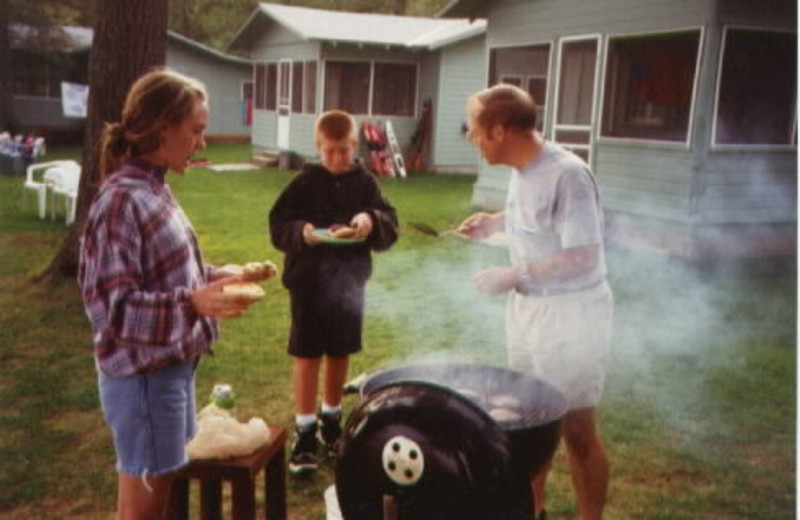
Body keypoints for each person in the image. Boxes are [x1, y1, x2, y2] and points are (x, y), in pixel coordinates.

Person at [78, 68, 274, 520]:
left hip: (171, 374)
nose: (202, 142)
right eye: (197, 130)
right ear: (163, 127)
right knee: (142, 513)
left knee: (152, 505)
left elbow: (164, 273)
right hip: (144, 381)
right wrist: (192, 303)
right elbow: (113, 310)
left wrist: (219, 276)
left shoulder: (153, 188)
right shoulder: (121, 202)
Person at [459, 84, 613, 520]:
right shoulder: (521, 169)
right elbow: (537, 221)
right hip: (528, 311)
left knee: (577, 429)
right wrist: (494, 222)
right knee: (529, 423)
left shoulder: (569, 174)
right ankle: (533, 512)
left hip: (571, 314)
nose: (473, 139)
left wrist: (516, 274)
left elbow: (583, 255)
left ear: (500, 131)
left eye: (476, 132)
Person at [269, 109, 398, 476]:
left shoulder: (365, 183)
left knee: (340, 351)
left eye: (343, 151)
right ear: (318, 147)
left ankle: (331, 421)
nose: (337, 158)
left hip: (349, 283)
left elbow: (390, 221)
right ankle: (305, 431)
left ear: (354, 146)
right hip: (308, 284)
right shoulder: (304, 182)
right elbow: (278, 225)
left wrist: (370, 220)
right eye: (329, 151)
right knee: (308, 354)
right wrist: (302, 232)